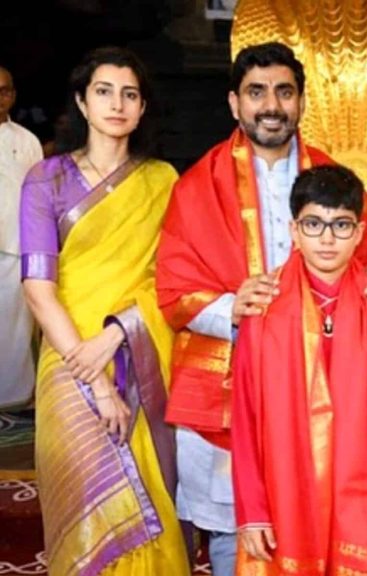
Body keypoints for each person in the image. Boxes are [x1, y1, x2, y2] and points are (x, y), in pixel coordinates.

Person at [156, 42, 367, 575]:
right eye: (256, 92)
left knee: (323, 522)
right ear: (234, 102)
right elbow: (173, 289)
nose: (271, 105)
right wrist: (232, 309)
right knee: (234, 534)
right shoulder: (196, 187)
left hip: (324, 391)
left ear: (302, 101)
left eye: (284, 92)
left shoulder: (337, 182)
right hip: (227, 385)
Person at [19, 47, 189, 575]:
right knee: (86, 494)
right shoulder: (45, 179)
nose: (117, 104)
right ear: (82, 102)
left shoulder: (162, 181)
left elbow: (172, 280)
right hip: (68, 358)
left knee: (151, 492)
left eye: (129, 94)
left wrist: (118, 334)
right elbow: (38, 289)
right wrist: (93, 377)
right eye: (104, 91)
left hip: (139, 354)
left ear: (142, 108)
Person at [231, 165, 367, 575]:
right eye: (313, 224)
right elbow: (245, 414)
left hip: (365, 487)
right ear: (294, 231)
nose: (327, 238)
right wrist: (252, 510)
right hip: (287, 484)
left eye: (341, 225)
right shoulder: (264, 305)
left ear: (360, 233)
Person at [0, 66, 42, 410]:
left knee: (14, 325)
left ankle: (13, 398)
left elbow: (37, 194)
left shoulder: (27, 141)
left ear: (12, 95)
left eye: (4, 90)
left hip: (15, 246)